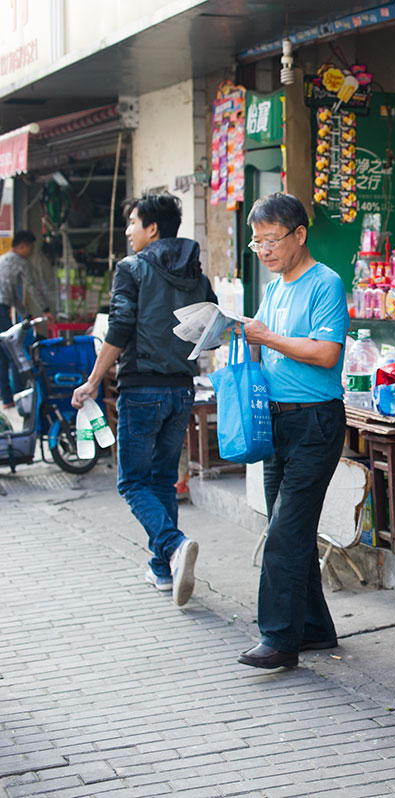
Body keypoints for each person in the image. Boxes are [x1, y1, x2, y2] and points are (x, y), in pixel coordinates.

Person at [72, 193, 214, 607]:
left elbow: (119, 328)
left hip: (142, 389)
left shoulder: (131, 269)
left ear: (152, 228)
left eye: (133, 223)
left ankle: (172, 545)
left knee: (132, 482)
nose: (128, 231)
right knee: (161, 480)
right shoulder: (195, 272)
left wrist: (93, 380)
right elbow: (212, 324)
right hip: (182, 389)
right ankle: (162, 568)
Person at [238, 192, 349, 670]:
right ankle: (315, 629)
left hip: (315, 421)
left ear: (299, 235)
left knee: (285, 531)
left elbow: (326, 354)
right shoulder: (275, 287)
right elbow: (268, 343)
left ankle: (280, 640)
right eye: (256, 241)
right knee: (288, 526)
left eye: (270, 240)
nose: (262, 250)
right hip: (277, 419)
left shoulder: (325, 283)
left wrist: (265, 338)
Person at [0, 230, 54, 408]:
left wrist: (25, 314)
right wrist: (45, 309)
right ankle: (21, 396)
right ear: (23, 246)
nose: (31, 252)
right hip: (1, 310)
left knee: (3, 355)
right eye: (30, 248)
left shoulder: (3, 260)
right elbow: (32, 286)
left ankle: (7, 399)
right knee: (15, 353)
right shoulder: (20, 262)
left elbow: (11, 296)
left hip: (4, 308)